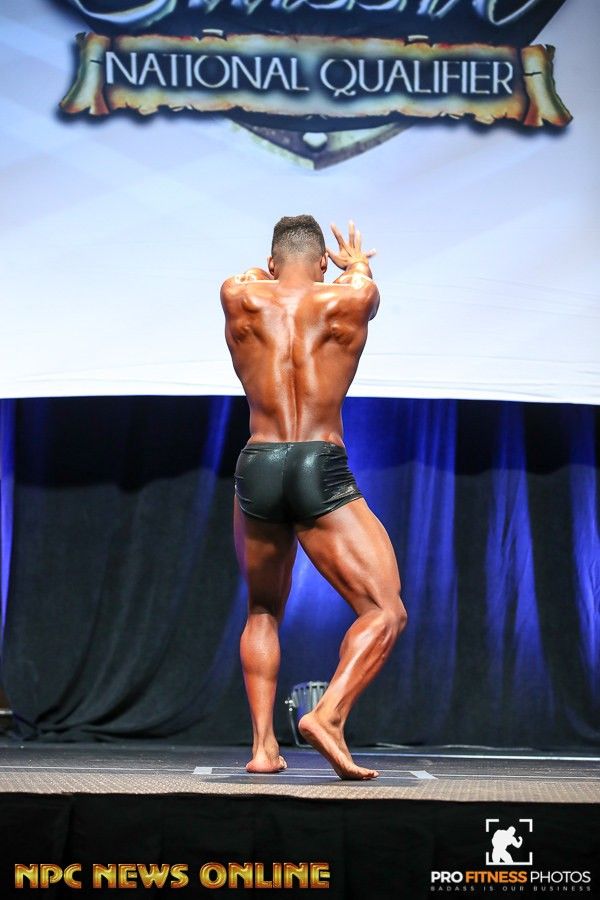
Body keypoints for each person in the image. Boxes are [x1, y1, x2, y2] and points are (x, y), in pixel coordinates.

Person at [220, 215, 407, 780]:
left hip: (258, 464)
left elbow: (245, 277)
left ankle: (263, 749)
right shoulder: (349, 300)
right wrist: (358, 264)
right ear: (323, 262)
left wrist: (264, 273)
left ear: (272, 261)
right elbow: (365, 290)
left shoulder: (239, 297)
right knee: (384, 610)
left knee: (262, 610)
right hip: (316, 464)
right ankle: (328, 715)